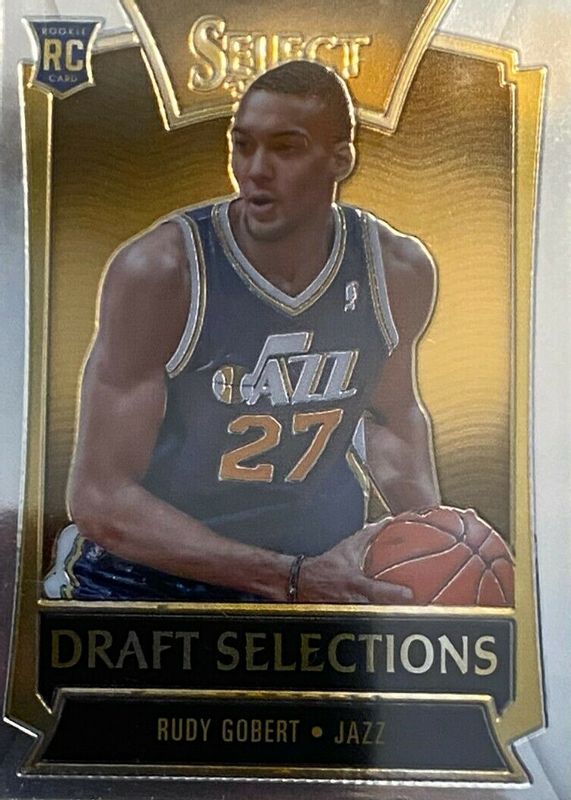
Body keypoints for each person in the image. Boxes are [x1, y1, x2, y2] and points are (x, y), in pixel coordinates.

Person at [44, 60, 440, 603]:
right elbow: (100, 497)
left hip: (318, 566)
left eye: (285, 148)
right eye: (243, 146)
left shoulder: (395, 269)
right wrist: (291, 578)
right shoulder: (162, 271)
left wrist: (435, 541)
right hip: (146, 578)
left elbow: (389, 420)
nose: (255, 170)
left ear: (341, 159)